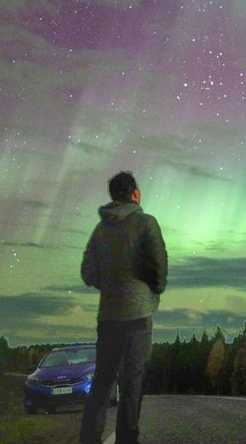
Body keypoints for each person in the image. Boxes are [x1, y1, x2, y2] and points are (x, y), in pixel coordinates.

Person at [79, 171, 167, 444]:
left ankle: (89, 440)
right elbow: (159, 267)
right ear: (135, 194)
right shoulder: (146, 223)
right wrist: (153, 290)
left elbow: (87, 272)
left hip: (108, 318)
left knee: (102, 383)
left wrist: (109, 285)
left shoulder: (100, 229)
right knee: (132, 384)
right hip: (138, 317)